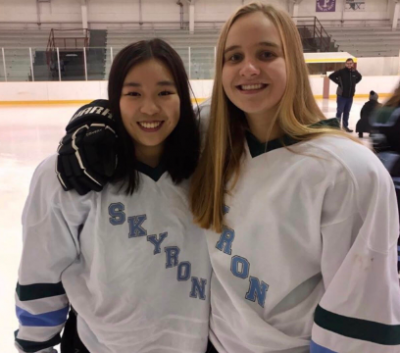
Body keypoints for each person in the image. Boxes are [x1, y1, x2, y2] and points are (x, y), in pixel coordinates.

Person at [53, 3, 400, 353]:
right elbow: (150, 114)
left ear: (293, 61)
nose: (248, 68)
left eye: (266, 53)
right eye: (233, 57)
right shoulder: (209, 132)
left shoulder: (350, 172)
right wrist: (92, 118)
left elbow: (359, 312)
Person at [15, 39, 212, 353]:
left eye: (165, 92)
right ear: (114, 99)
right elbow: (42, 266)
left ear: (183, 98)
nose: (150, 108)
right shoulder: (70, 173)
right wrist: (36, 344)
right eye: (133, 93)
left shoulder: (209, 164)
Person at [329, 58, 362, 132]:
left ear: (352, 64)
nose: (349, 65)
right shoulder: (341, 71)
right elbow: (331, 76)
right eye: (348, 63)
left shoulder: (354, 72)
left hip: (350, 96)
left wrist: (354, 83)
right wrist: (339, 83)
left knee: (347, 112)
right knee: (339, 112)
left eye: (350, 63)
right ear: (345, 64)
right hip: (341, 96)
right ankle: (336, 127)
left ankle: (345, 126)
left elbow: (360, 77)